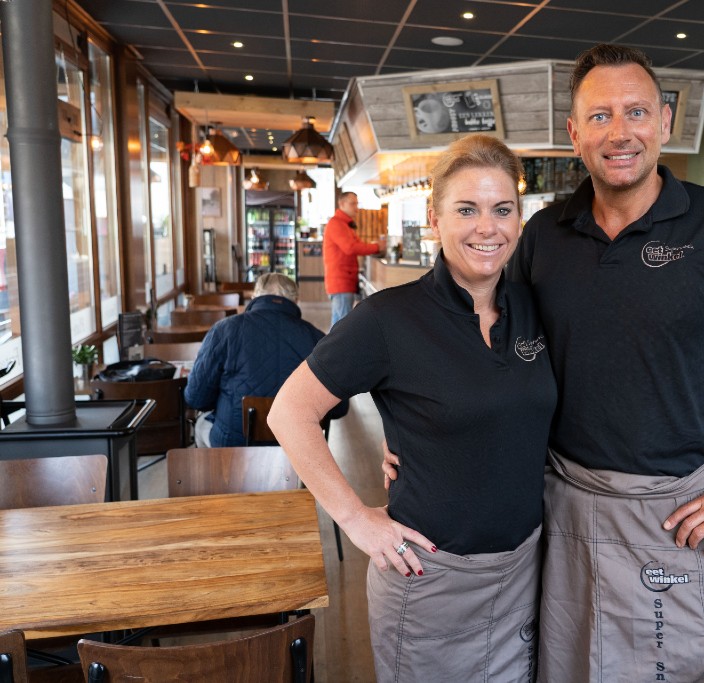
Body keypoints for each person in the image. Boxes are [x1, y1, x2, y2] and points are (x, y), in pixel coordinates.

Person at [386, 45, 704, 681]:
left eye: (635, 111)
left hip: (675, 519)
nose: (620, 131)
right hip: (562, 505)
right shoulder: (544, 236)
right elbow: (479, 343)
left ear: (663, 120)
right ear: (576, 135)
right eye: (600, 116)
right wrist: (421, 436)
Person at [268, 134, 556, 682]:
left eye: (503, 210)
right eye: (466, 209)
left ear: (520, 218)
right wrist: (355, 518)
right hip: (431, 579)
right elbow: (289, 412)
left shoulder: (532, 308)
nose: (486, 227)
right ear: (434, 217)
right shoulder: (388, 319)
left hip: (525, 568)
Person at [184, 272, 345, 447]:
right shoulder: (318, 339)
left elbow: (196, 398)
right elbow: (339, 408)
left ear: (254, 297)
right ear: (296, 300)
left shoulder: (224, 330)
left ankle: (220, 473)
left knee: (201, 425)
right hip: (295, 448)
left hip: (234, 445)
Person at [323, 191, 382, 327]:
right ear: (342, 204)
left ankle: (333, 348)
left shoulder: (344, 224)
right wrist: (377, 247)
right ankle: (336, 349)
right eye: (353, 204)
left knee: (338, 324)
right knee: (342, 327)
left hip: (343, 280)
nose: (356, 207)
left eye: (357, 203)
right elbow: (350, 247)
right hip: (341, 281)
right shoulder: (337, 224)